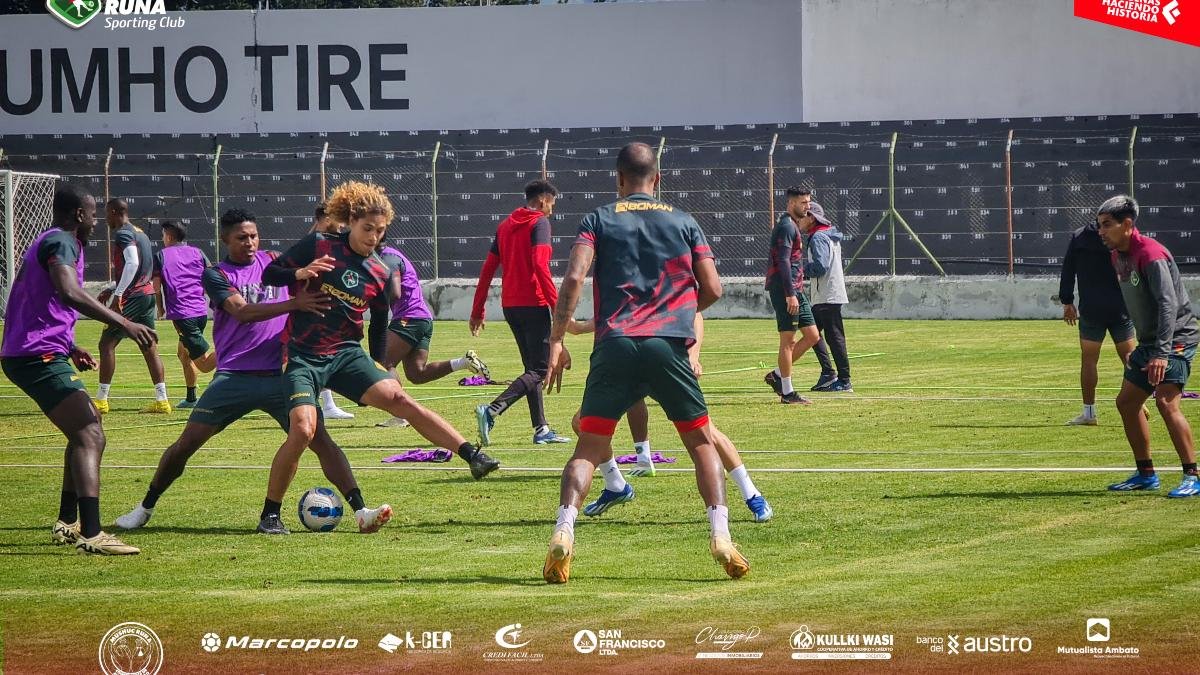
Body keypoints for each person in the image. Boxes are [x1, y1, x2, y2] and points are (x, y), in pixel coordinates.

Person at [541, 142, 749, 584]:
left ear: (618, 180)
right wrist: (679, 310)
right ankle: (721, 535)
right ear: (657, 179)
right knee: (700, 444)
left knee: (588, 447)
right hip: (666, 344)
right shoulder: (684, 220)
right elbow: (713, 287)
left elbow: (575, 277)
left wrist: (557, 339)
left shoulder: (598, 218)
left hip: (614, 343)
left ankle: (563, 531)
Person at [116, 209, 391, 535]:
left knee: (321, 442)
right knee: (186, 444)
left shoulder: (274, 262)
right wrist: (294, 305)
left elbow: (313, 263)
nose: (249, 243)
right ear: (225, 239)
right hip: (235, 377)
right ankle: (145, 507)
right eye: (241, 238)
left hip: (282, 375)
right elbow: (241, 312)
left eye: (253, 236)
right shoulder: (215, 273)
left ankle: (359, 511)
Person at [260, 181, 499, 530]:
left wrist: (379, 366)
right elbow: (270, 273)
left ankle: (472, 455)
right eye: (367, 228)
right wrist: (299, 273)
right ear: (351, 221)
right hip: (303, 355)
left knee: (399, 397)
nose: (373, 236)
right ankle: (270, 514)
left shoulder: (381, 273)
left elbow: (377, 325)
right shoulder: (320, 244)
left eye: (380, 230)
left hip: (346, 355)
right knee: (304, 431)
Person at [1, 184, 155, 554]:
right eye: (93, 216)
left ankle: (68, 522)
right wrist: (125, 322)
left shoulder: (54, 242)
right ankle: (92, 534)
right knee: (90, 433)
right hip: (35, 356)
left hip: (39, 350)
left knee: (84, 430)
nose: (96, 222)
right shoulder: (62, 243)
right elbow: (69, 292)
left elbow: (38, 302)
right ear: (79, 216)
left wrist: (69, 345)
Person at [566, 315, 774, 522]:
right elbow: (612, 317)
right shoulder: (619, 288)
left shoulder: (666, 285)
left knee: (706, 432)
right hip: (626, 364)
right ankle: (616, 485)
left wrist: (693, 355)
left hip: (663, 363)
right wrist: (575, 327)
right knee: (581, 423)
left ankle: (752, 494)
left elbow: (696, 313)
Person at [1096, 195, 1200, 497]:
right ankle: (1146, 475)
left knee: (1166, 403)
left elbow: (1168, 305)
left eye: (1107, 225)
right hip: (1150, 341)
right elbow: (1136, 301)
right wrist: (1140, 344)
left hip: (1175, 339)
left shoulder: (1151, 255)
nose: (1101, 231)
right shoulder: (1118, 255)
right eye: (1099, 225)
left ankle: (1192, 475)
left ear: (1127, 224)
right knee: (1127, 403)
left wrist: (1160, 354)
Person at [469, 180, 570, 446]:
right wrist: (557, 307)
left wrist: (477, 309)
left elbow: (488, 268)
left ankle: (541, 429)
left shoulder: (504, 226)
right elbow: (540, 265)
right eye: (552, 205)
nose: (552, 211)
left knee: (531, 369)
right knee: (540, 369)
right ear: (543, 201)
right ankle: (492, 410)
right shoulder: (540, 223)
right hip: (533, 304)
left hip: (510, 306)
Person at [369, 241, 489, 428]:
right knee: (417, 374)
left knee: (384, 362)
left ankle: (401, 414)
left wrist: (367, 299)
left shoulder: (388, 257)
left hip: (409, 318)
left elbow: (395, 292)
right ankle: (463, 362)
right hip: (422, 318)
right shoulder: (388, 256)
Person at [94, 198, 170, 414]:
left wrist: (118, 294)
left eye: (107, 213)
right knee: (148, 346)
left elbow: (133, 263)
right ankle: (162, 400)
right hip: (146, 295)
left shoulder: (123, 233)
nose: (105, 218)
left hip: (132, 297)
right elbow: (141, 267)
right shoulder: (141, 233)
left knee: (106, 343)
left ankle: (101, 399)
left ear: (117, 212)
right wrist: (112, 286)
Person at [1058, 216, 1136, 426]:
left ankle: (1089, 413)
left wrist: (1067, 302)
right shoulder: (1120, 235)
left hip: (1091, 308)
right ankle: (1138, 403)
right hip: (1121, 306)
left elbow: (1068, 270)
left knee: (1089, 360)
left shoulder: (1079, 236)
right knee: (1130, 359)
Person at [763, 187, 820, 404]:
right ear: (790, 204)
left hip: (796, 289)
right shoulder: (786, 226)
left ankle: (777, 375)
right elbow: (783, 261)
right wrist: (789, 294)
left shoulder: (793, 226)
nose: (807, 206)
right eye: (803, 203)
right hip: (786, 291)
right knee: (788, 340)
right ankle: (787, 392)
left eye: (808, 202)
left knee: (813, 335)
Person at [153, 220, 216, 408]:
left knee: (204, 365)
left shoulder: (161, 256)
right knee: (183, 355)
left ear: (169, 236)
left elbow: (156, 287)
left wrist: (160, 307)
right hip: (201, 312)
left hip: (183, 315)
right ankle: (191, 398)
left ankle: (232, 349)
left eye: (163, 235)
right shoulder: (198, 252)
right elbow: (212, 276)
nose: (162, 238)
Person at [310, 203, 356, 421]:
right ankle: (323, 404)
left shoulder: (325, 240)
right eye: (339, 218)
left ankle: (325, 403)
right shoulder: (315, 244)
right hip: (315, 309)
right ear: (326, 218)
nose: (342, 225)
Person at [799, 202, 852, 392]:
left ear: (812, 218)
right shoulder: (827, 235)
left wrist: (799, 271)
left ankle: (844, 380)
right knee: (811, 331)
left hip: (827, 295)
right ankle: (828, 373)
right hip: (827, 294)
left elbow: (820, 266)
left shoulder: (818, 238)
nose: (800, 220)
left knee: (833, 337)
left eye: (803, 216)